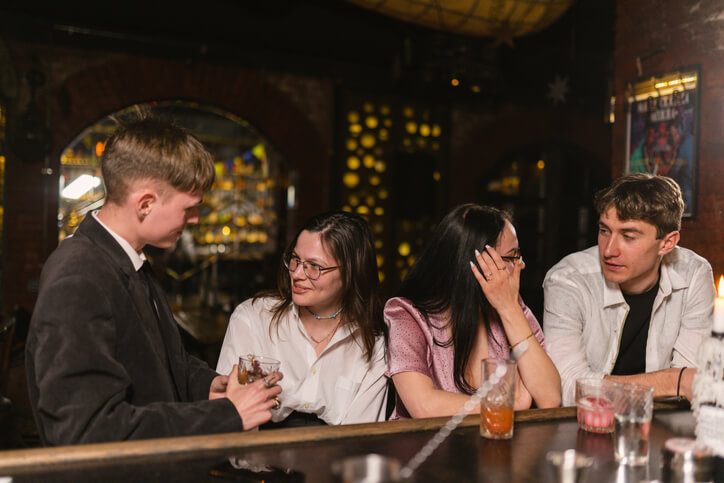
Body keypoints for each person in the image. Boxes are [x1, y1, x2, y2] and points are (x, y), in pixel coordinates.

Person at [25, 118, 283, 446]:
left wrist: (207, 385)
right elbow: (86, 431)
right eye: (189, 208)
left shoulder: (131, 259)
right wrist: (228, 415)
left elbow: (157, 361)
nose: (195, 219)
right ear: (145, 204)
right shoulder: (79, 279)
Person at [543, 173, 714, 406]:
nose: (609, 250)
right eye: (604, 231)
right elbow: (567, 387)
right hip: (582, 426)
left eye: (628, 236)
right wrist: (674, 381)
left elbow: (690, 385)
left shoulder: (693, 274)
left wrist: (681, 382)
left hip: (657, 423)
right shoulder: (568, 280)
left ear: (667, 243)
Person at [385, 204, 561, 419]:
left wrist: (509, 309)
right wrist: (511, 402)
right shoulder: (406, 314)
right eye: (511, 257)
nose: (520, 265)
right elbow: (424, 406)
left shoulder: (511, 307)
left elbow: (549, 398)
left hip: (497, 445)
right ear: (477, 263)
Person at [217, 211, 388, 426]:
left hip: (336, 456)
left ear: (352, 273)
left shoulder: (373, 342)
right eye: (295, 259)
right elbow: (230, 415)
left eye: (314, 266)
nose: (297, 273)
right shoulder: (253, 319)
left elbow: (361, 437)